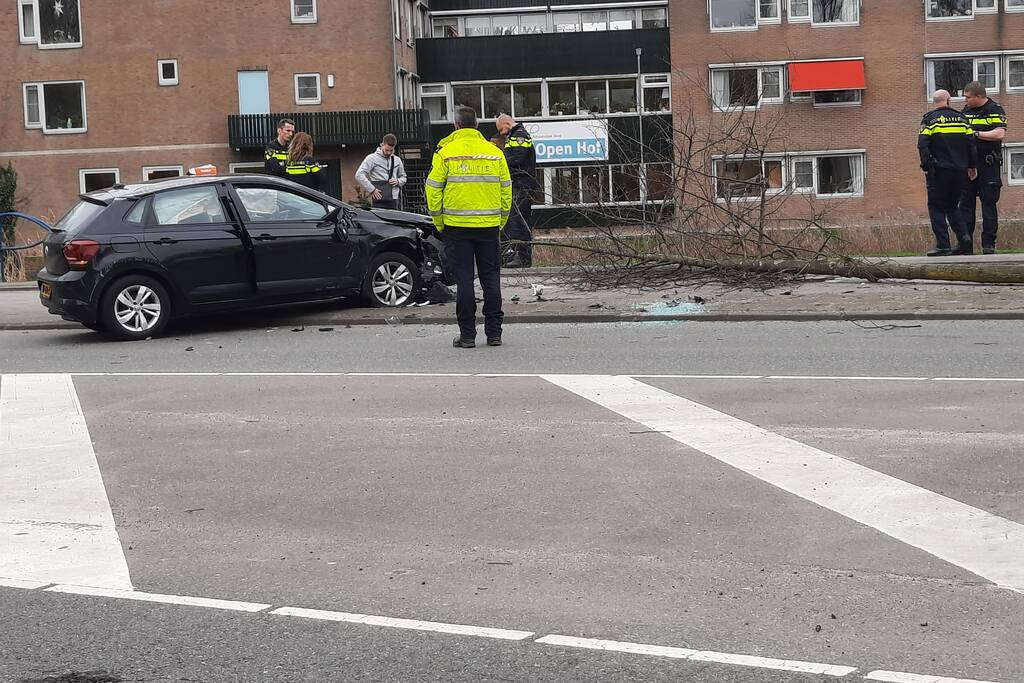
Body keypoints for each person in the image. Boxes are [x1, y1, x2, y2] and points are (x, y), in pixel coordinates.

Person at [425, 106, 512, 349]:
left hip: (456, 226)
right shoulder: (494, 153)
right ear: (476, 126)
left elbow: (432, 190)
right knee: (491, 279)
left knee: (464, 281)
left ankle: (467, 336)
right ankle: (494, 334)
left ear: (455, 126)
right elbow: (507, 190)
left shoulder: (445, 152)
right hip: (488, 226)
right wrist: (500, 221)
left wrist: (440, 222)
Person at [918, 89, 977, 257]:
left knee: (936, 206)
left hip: (939, 170)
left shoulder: (929, 120)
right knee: (952, 206)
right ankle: (965, 240)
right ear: (949, 100)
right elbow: (971, 144)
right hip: (960, 170)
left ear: (934, 101)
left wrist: (928, 167)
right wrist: (972, 166)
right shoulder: (962, 119)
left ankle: (943, 245)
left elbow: (922, 145)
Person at [959, 81, 1007, 254]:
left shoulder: (995, 109)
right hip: (969, 165)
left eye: (968, 97)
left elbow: (999, 133)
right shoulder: (966, 111)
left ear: (979, 96)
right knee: (965, 206)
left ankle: (988, 245)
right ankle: (965, 245)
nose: (965, 100)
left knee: (988, 204)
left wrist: (976, 134)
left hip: (988, 165)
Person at [496, 114, 537, 268]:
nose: (501, 133)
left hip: (522, 183)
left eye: (501, 129)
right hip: (521, 183)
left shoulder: (519, 135)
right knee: (519, 220)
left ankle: (521, 256)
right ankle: (520, 255)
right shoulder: (515, 135)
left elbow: (518, 158)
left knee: (517, 220)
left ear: (507, 123)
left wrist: (500, 161)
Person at [355, 133, 407, 210]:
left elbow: (404, 177)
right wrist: (372, 189)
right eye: (386, 150)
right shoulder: (371, 158)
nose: (389, 153)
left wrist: (398, 181)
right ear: (382, 145)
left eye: (391, 150)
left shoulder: (397, 160)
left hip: (394, 199)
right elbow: (359, 175)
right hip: (379, 199)